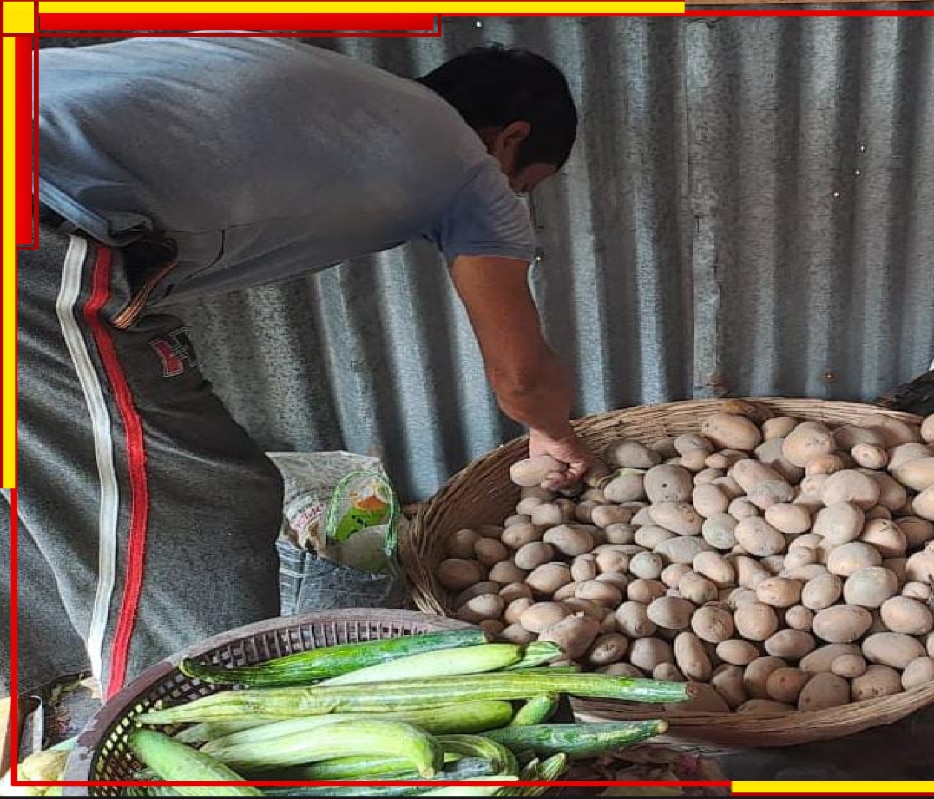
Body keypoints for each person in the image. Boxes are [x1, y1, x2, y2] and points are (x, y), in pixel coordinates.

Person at [2, 36, 593, 702]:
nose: (512, 196)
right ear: (509, 138)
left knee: (35, 475)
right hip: (31, 215)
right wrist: (555, 434)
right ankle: (174, 733)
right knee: (202, 499)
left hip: (38, 183)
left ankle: (34, 681)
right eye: (524, 182)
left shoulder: (347, 96)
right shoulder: (467, 167)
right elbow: (519, 373)